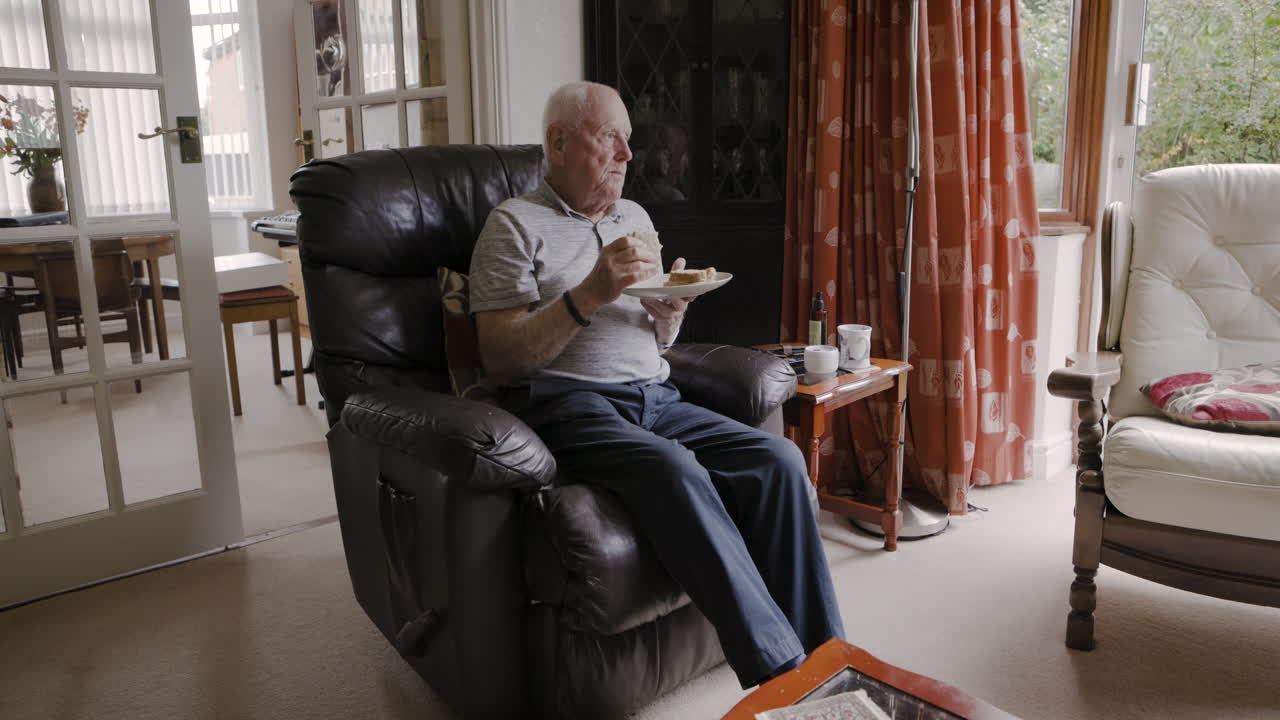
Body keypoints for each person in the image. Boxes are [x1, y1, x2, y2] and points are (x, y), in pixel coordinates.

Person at [468, 81, 844, 690]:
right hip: (567, 404)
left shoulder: (636, 218)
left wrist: (669, 316)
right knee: (674, 468)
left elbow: (655, 337)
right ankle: (785, 676)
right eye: (609, 138)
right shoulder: (513, 225)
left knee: (778, 460)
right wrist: (590, 293)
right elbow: (500, 357)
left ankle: (830, 661)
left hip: (655, 395)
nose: (627, 154)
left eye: (628, 140)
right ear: (558, 143)